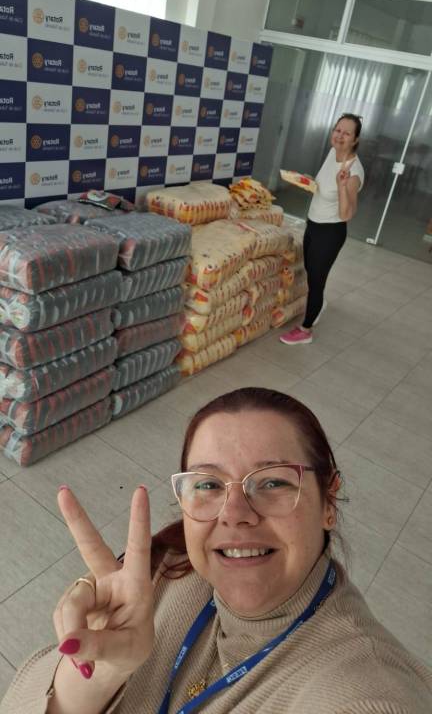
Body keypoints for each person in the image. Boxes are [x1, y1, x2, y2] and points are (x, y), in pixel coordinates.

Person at [1, 388, 431, 714]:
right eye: (208, 484)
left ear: (328, 502)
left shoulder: (364, 688)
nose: (235, 514)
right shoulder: (166, 576)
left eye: (273, 482)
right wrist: (102, 671)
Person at [280, 114, 365, 345]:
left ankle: (305, 330)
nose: (340, 136)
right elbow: (324, 186)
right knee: (311, 272)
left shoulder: (353, 173)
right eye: (338, 130)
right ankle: (318, 304)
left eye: (347, 133)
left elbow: (347, 214)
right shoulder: (332, 153)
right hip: (313, 224)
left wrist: (341, 185)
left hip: (330, 232)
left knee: (317, 282)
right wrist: (309, 181)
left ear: (355, 140)